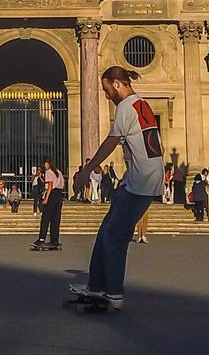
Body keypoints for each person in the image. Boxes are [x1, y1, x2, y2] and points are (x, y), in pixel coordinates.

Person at [72, 66, 165, 310]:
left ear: (116, 83)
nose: (105, 95)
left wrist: (86, 170)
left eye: (105, 89)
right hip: (143, 177)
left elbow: (111, 142)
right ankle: (96, 285)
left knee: (115, 236)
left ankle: (113, 292)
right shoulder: (140, 104)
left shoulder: (125, 107)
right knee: (106, 231)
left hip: (141, 181)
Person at [33, 157, 65, 250]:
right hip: (59, 195)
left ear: (49, 164)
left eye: (45, 164)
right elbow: (60, 184)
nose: (44, 165)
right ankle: (54, 240)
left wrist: (46, 198)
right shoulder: (58, 172)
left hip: (52, 194)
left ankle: (41, 239)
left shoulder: (49, 172)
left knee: (46, 218)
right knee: (56, 218)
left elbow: (50, 186)